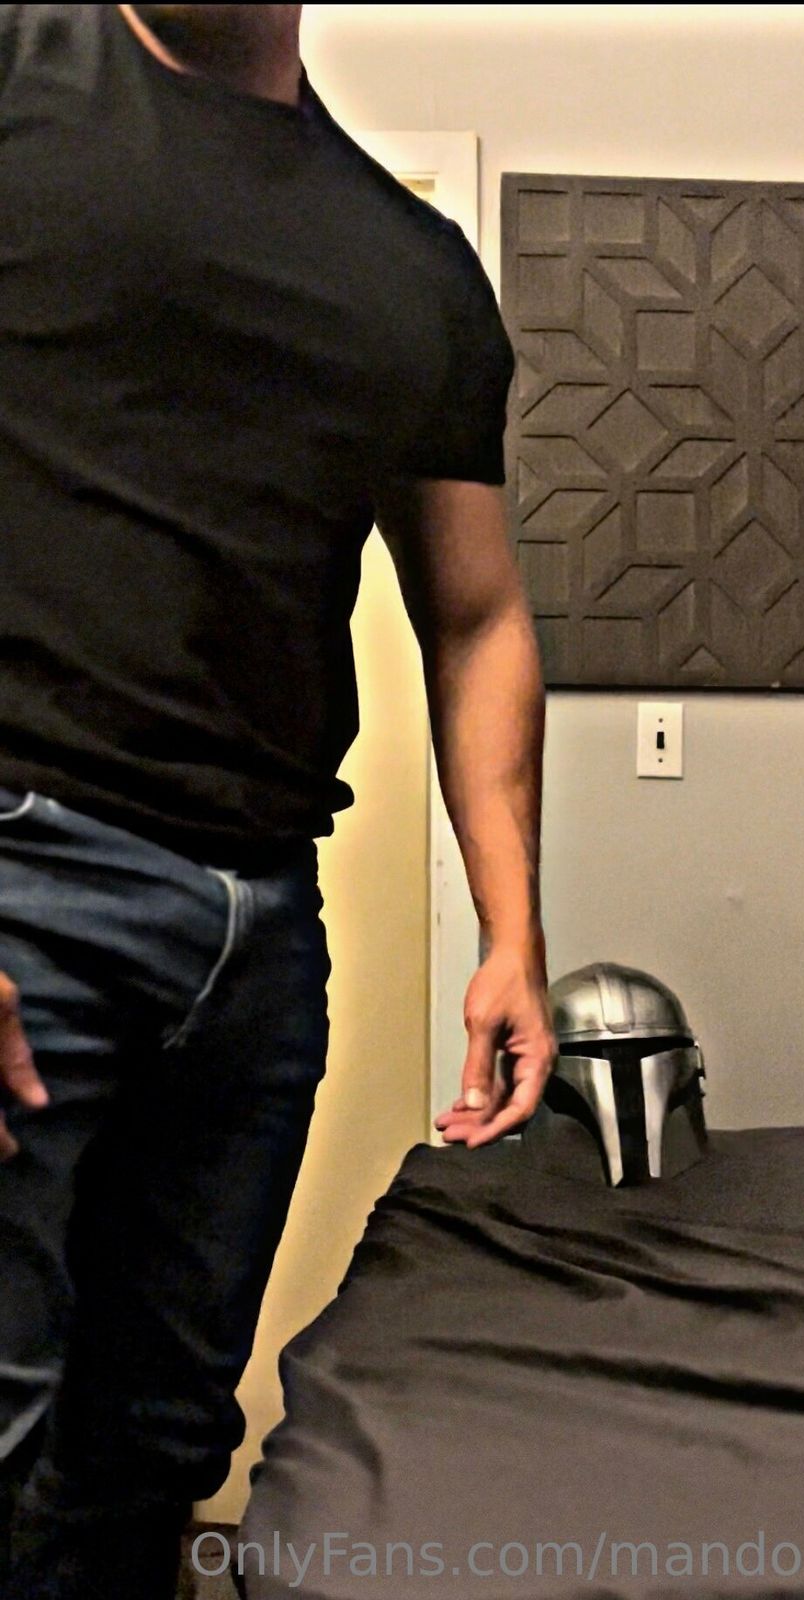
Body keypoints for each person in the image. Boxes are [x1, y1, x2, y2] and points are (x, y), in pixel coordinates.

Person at [0, 5, 555, 1596]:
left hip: (256, 942)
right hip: (25, 880)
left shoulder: (412, 267)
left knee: (160, 1446)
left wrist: (512, 933)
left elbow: (476, 615)